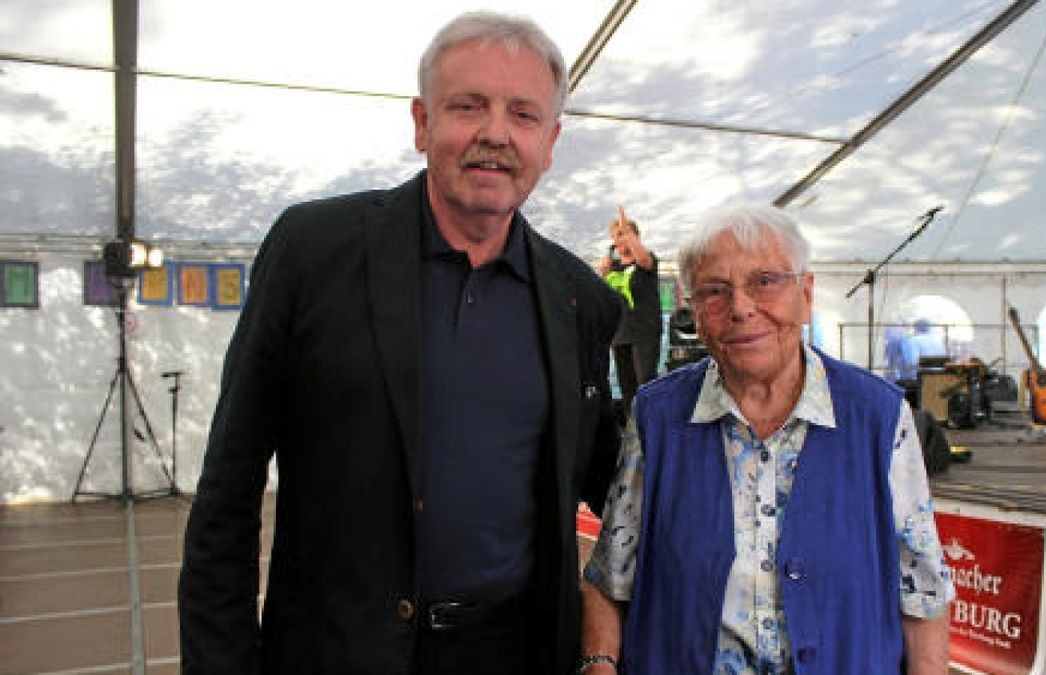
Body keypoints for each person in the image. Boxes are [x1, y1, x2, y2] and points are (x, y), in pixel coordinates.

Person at [178, 12, 624, 675]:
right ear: (422, 122)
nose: (496, 134)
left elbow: (614, 481)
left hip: (516, 653)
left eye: (523, 115)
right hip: (340, 652)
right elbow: (228, 492)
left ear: (551, 140)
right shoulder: (312, 252)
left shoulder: (579, 297)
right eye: (468, 106)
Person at [580, 204, 955, 674]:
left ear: (806, 292)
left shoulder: (878, 416)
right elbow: (609, 577)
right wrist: (598, 664)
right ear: (694, 311)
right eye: (714, 291)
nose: (740, 308)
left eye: (765, 282)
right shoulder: (657, 416)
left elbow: (922, 592)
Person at [595, 208, 663, 418]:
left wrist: (628, 233)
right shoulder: (612, 266)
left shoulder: (646, 261)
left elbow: (642, 258)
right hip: (620, 333)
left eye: (623, 235)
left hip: (644, 332)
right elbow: (596, 294)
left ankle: (652, 430)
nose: (619, 241)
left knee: (646, 384)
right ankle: (632, 435)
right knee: (627, 389)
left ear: (634, 237)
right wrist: (602, 274)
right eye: (616, 237)